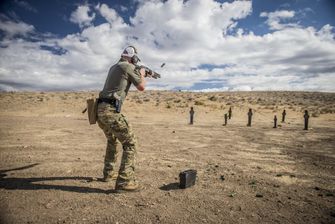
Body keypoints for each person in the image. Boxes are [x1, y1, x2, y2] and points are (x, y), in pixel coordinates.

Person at [97, 46, 146, 192]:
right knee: (131, 143)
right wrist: (142, 73)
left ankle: (109, 173)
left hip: (100, 110)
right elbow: (142, 86)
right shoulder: (127, 66)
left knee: (112, 140)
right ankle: (125, 181)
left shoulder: (115, 66)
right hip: (110, 111)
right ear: (133, 58)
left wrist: (139, 72)